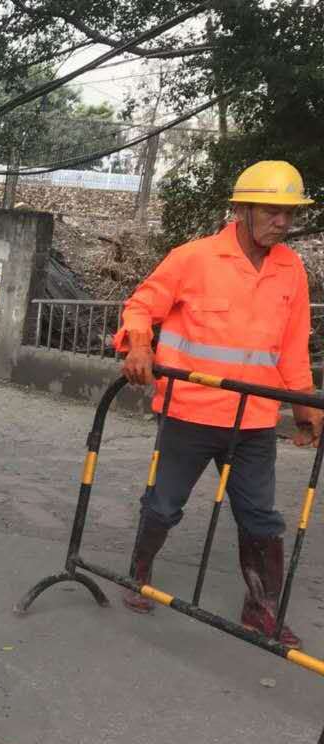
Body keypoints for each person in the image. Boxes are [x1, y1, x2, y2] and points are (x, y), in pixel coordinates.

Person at [114, 159, 321, 644]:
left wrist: (307, 411)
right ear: (241, 209)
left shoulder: (291, 270)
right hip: (191, 412)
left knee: (262, 517)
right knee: (164, 505)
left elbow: (292, 349)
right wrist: (139, 344)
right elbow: (141, 305)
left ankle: (261, 608)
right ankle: (138, 570)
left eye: (290, 213)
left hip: (255, 423)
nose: (283, 222)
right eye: (272, 211)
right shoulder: (194, 258)